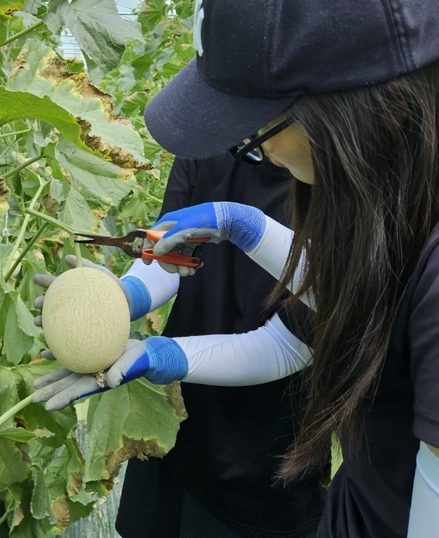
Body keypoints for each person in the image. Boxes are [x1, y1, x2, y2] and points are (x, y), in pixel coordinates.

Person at [36, 0, 439, 538]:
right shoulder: (429, 197)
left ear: (366, 107)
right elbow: (313, 319)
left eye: (257, 128)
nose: (249, 146)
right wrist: (146, 319)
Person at [35, 154, 325, 538]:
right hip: (174, 429)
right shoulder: (208, 135)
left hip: (262, 458)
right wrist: (129, 294)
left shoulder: (348, 183)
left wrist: (165, 355)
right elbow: (167, 251)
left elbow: (289, 346)